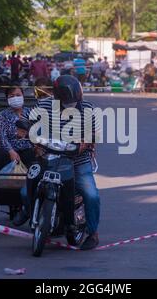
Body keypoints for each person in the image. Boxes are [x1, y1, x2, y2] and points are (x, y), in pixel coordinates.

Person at [21, 75, 101, 250]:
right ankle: (28, 211)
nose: (70, 104)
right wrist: (35, 144)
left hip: (78, 160)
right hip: (48, 157)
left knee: (91, 195)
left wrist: (84, 143)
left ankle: (93, 233)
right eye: (66, 101)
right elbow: (27, 123)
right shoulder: (44, 105)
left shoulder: (88, 109)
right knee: (25, 191)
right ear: (56, 97)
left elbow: (94, 134)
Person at [0, 86, 36, 226]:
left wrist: (28, 135)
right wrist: (11, 151)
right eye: (12, 96)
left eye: (18, 95)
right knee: (0, 155)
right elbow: (1, 135)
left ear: (23, 96)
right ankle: (8, 192)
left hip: (28, 148)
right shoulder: (3, 115)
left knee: (36, 160)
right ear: (7, 99)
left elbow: (39, 133)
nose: (15, 98)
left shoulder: (31, 113)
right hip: (9, 149)